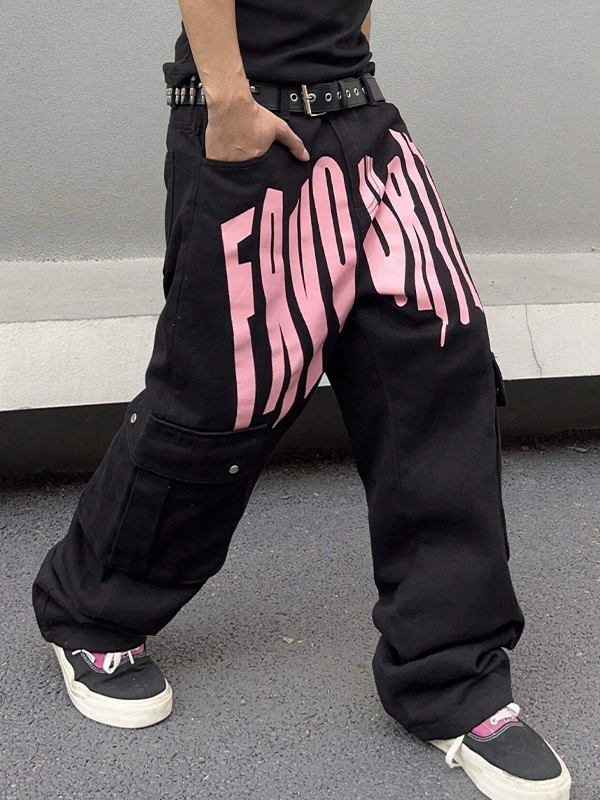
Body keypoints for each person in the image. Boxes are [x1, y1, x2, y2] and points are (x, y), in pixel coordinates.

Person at [32, 2, 571, 798]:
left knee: (440, 369)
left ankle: (453, 679)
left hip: (363, 122)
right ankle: (91, 609)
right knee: (230, 390)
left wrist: (348, 68)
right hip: (253, 124)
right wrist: (229, 101)